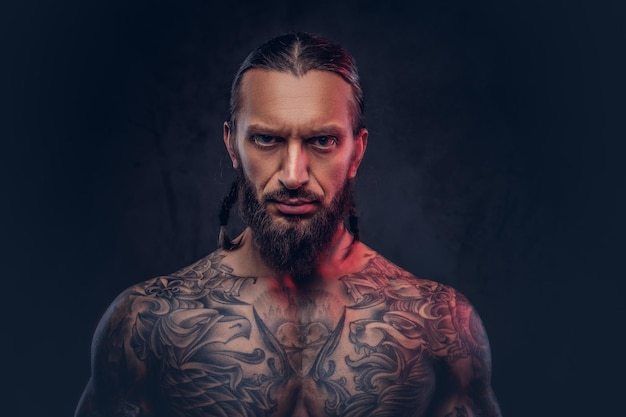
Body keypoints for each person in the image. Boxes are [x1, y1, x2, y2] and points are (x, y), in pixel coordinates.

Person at [75, 32, 502, 417]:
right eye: (266, 139)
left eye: (322, 141)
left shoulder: (439, 326)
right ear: (232, 146)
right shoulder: (146, 324)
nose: (293, 175)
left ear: (356, 152)